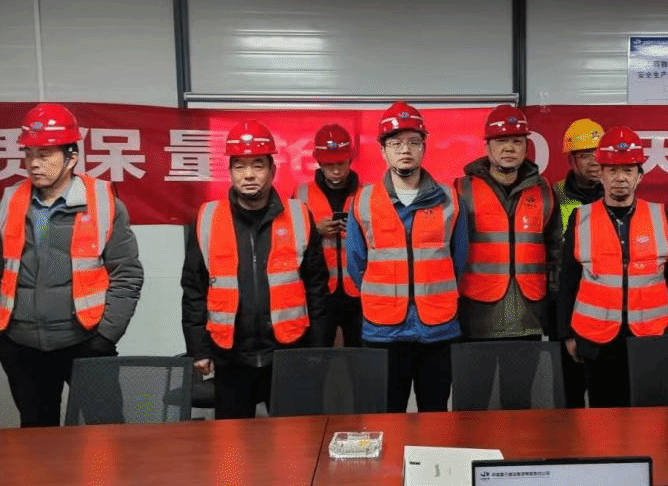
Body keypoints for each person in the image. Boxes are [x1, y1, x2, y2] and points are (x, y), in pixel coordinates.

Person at [0, 102, 143, 428]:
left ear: (72, 157)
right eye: (29, 154)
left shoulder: (103, 202)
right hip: (22, 347)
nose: (34, 164)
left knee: (107, 434)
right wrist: (0, 335)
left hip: (86, 342)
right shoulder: (9, 203)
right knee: (38, 439)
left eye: (44, 155)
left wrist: (105, 336)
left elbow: (127, 274)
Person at [181, 121, 330, 418]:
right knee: (234, 444)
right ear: (230, 171)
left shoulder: (299, 216)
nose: (248, 174)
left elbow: (317, 288)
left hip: (289, 353)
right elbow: (194, 289)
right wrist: (199, 349)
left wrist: (318, 348)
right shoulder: (208, 218)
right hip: (230, 357)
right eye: (239, 166)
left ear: (272, 170)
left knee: (295, 440)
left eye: (257, 165)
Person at [558, 126, 668, 408]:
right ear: (601, 174)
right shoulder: (580, 218)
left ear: (639, 176)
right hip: (596, 341)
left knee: (650, 417)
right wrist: (567, 334)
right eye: (612, 170)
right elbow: (568, 279)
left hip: (651, 337)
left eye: (628, 170)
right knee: (603, 419)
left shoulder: (660, 215)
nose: (620, 178)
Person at [346, 101, 467, 413]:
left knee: (435, 415)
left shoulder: (449, 199)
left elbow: (459, 260)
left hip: (437, 328)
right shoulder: (363, 201)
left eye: (414, 142)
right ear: (382, 151)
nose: (405, 150)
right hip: (383, 330)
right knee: (386, 416)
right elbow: (356, 265)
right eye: (395, 143)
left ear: (424, 147)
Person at [455, 104, 561, 406]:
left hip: (527, 318)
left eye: (517, 141)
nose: (509, 148)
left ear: (526, 146)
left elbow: (555, 254)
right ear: (487, 146)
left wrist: (553, 312)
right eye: (501, 141)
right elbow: (449, 254)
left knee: (519, 406)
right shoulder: (462, 190)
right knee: (472, 407)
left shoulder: (544, 191)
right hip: (476, 319)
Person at [293, 124, 362, 347]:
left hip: (359, 292)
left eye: (341, 163)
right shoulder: (301, 194)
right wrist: (316, 231)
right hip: (319, 293)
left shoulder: (368, 194)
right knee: (316, 358)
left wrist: (358, 230)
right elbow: (286, 239)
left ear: (350, 160)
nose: (336, 170)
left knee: (363, 360)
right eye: (329, 164)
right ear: (319, 162)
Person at [552, 117, 604, 406]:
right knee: (569, 397)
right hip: (567, 306)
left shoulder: (617, 194)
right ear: (571, 160)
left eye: (598, 153)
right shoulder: (554, 196)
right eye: (585, 155)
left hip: (606, 308)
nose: (594, 161)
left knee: (606, 397)